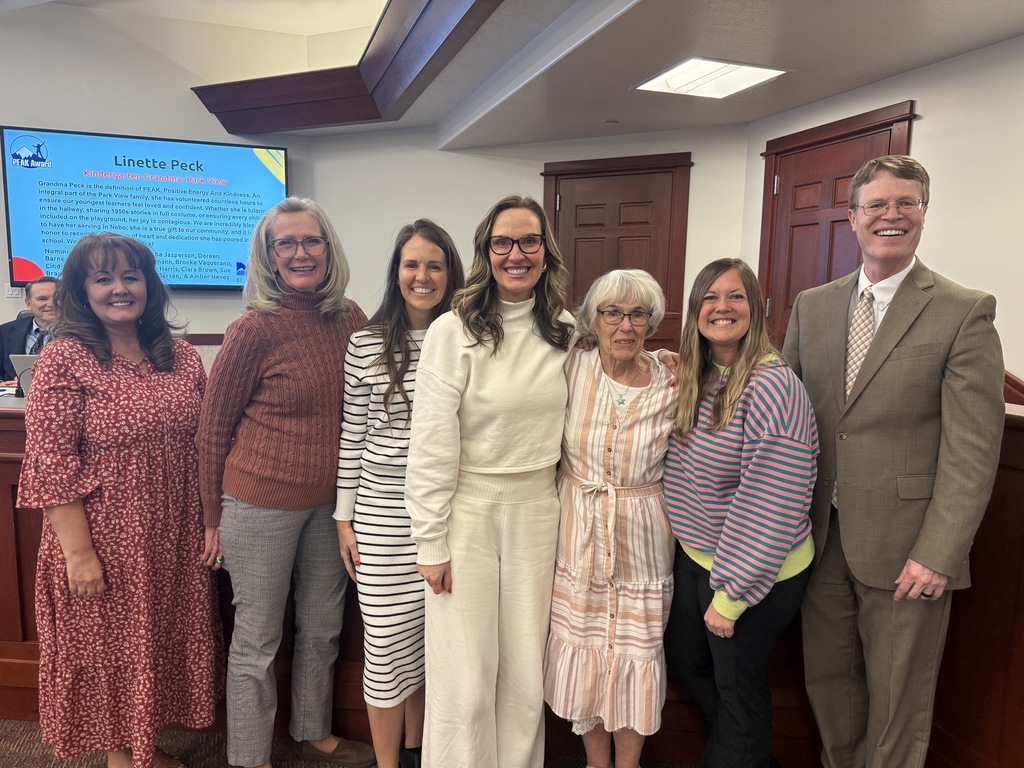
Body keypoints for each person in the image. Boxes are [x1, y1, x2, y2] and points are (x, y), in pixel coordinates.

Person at [782, 155, 1005, 768]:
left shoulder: (964, 310)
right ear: (853, 218)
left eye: (906, 203)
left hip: (909, 550)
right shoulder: (814, 306)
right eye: (877, 204)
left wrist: (939, 552)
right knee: (830, 689)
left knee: (897, 705)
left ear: (923, 217)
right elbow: (781, 413)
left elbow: (973, 450)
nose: (892, 215)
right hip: (818, 540)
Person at [18, 233, 219, 768]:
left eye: (131, 276)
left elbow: (203, 444)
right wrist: (80, 555)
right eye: (103, 278)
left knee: (151, 645)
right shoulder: (64, 359)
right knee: (108, 649)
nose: (119, 288)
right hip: (104, 536)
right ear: (82, 291)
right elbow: (52, 465)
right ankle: (119, 759)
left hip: (172, 533)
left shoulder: (179, 356)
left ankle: (144, 748)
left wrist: (209, 523)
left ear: (149, 285)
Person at [196, 197, 374, 768]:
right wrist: (211, 519)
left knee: (322, 627)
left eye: (311, 240)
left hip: (332, 509)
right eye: (286, 243)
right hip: (256, 505)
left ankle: (311, 730)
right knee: (257, 640)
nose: (300, 252)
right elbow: (212, 429)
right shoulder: (252, 328)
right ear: (268, 256)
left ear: (329, 248)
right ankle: (249, 757)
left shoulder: (350, 316)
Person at [404, 195, 575, 768]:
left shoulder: (566, 331)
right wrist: (430, 539)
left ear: (545, 254)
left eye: (529, 242)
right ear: (486, 253)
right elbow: (430, 440)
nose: (516, 254)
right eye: (503, 243)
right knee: (465, 678)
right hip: (467, 514)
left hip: (537, 510)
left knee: (526, 676)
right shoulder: (454, 331)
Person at [663, 257, 819, 768]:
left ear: (755, 309)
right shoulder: (700, 376)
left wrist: (730, 598)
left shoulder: (772, 386)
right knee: (688, 660)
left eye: (735, 297)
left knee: (737, 689)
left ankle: (739, 753)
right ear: (695, 311)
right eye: (709, 297)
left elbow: (772, 503)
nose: (722, 307)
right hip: (699, 556)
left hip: (759, 570)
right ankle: (741, 749)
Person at [335, 219, 465, 768]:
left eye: (434, 264)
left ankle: (420, 752)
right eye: (411, 264)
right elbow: (352, 436)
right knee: (387, 651)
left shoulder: (468, 336)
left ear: (450, 273)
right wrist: (345, 521)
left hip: (451, 515)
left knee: (437, 648)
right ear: (396, 273)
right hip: (382, 518)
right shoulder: (366, 342)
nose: (422, 275)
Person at [543, 269, 677, 768]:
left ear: (651, 322)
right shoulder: (571, 365)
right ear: (592, 321)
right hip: (577, 534)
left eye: (638, 314)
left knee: (634, 657)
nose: (625, 325)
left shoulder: (672, 381)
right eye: (612, 313)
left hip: (642, 544)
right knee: (586, 657)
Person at [1, 275, 58, 382]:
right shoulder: (5, 331)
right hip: (13, 397)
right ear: (28, 304)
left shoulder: (80, 334)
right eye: (42, 299)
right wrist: (6, 385)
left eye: (58, 298)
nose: (51, 304)